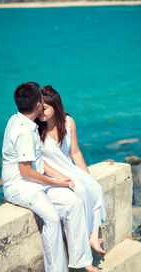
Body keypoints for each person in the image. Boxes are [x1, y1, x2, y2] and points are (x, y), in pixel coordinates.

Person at [2, 82, 101, 272]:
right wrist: (57, 182)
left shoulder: (20, 120)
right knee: (52, 218)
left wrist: (57, 179)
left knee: (73, 203)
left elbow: (37, 164)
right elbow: (26, 172)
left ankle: (82, 260)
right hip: (21, 187)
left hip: (37, 183)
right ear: (38, 104)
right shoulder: (25, 132)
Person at [36, 85, 107, 255]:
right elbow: (39, 163)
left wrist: (86, 175)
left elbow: (75, 152)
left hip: (68, 168)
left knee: (95, 187)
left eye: (44, 109)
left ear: (55, 106)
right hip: (48, 174)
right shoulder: (35, 128)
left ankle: (93, 235)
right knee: (80, 190)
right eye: (38, 108)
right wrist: (61, 178)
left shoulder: (68, 122)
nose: (40, 113)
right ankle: (87, 237)